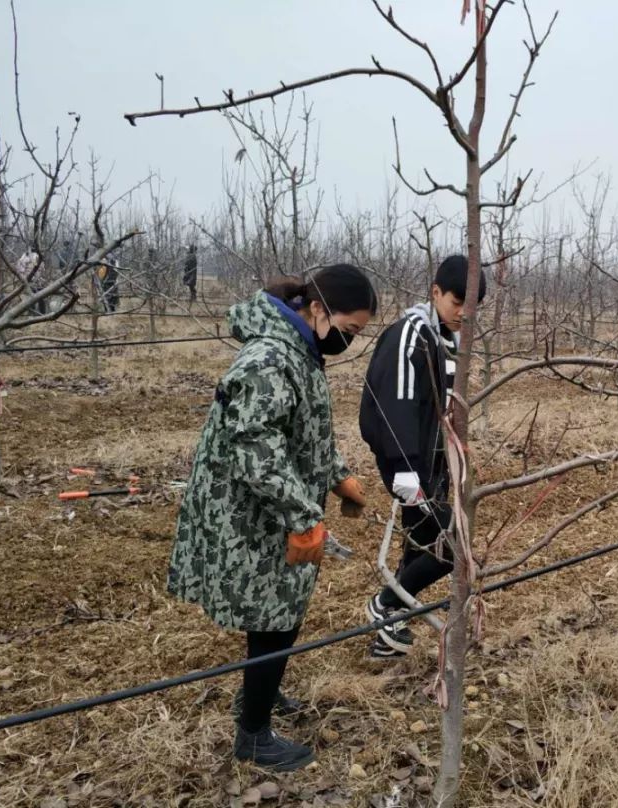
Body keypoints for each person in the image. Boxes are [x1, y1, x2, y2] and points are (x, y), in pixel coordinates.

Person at [168, 264, 376, 772]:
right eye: (348, 330)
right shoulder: (269, 356)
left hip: (272, 505)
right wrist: (304, 517)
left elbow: (301, 432)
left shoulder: (298, 349)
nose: (348, 343)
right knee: (274, 615)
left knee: (277, 609)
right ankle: (254, 735)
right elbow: (256, 446)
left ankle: (259, 695)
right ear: (318, 309)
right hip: (250, 511)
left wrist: (338, 476)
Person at [358, 254, 486, 658]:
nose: (464, 313)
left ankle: (388, 636)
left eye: (472, 306)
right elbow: (395, 406)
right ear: (434, 292)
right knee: (452, 543)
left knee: (420, 547)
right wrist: (405, 469)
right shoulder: (411, 334)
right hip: (408, 467)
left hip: (430, 465)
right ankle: (386, 605)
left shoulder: (444, 338)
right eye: (456, 301)